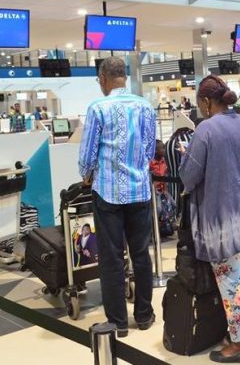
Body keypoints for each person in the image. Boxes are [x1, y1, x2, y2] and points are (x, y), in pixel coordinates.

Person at [178, 75, 240, 363]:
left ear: (206, 102)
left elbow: (189, 176)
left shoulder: (205, 131)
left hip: (222, 216)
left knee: (230, 278)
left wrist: (185, 157)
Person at [78, 57, 157, 337]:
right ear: (124, 76)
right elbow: (150, 151)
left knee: (111, 258)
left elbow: (87, 154)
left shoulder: (98, 108)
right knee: (140, 254)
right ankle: (145, 316)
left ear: (103, 78)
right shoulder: (145, 106)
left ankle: (118, 324)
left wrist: (86, 174)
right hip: (140, 193)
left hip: (108, 195)